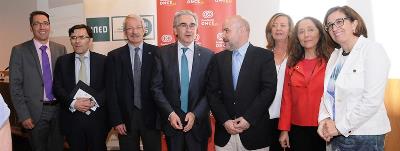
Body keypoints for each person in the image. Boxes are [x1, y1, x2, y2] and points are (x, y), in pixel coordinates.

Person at [318, 6, 391, 151]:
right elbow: (327, 94)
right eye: (330, 25)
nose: (334, 28)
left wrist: (339, 127)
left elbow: (371, 100)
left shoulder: (372, 50)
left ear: (354, 24)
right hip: (335, 134)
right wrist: (324, 120)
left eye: (339, 21)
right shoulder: (335, 56)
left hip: (365, 135)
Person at [207, 15, 277, 151]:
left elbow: (268, 91)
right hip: (225, 135)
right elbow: (212, 93)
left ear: (242, 30)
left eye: (227, 30)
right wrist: (225, 121)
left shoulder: (264, 56)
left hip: (255, 134)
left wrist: (248, 119)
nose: (223, 35)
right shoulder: (218, 59)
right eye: (223, 31)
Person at [151, 10, 213, 151]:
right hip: (173, 124)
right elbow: (156, 88)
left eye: (192, 25)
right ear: (175, 29)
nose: (188, 29)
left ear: (197, 28)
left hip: (198, 125)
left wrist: (195, 114)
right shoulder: (162, 54)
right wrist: (170, 114)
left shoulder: (208, 55)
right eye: (183, 25)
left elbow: (211, 91)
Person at [9, 10, 66, 151]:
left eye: (45, 23)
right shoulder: (19, 50)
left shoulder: (60, 49)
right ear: (31, 27)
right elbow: (15, 86)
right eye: (37, 24)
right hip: (35, 114)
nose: (42, 27)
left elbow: (64, 81)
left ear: (50, 26)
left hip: (59, 111)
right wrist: (23, 115)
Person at [106, 14, 161, 151]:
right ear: (125, 32)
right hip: (125, 119)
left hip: (152, 118)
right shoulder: (114, 56)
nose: (134, 31)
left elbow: (162, 88)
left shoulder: (157, 53)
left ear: (144, 30)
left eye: (138, 27)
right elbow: (111, 91)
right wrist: (117, 120)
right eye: (129, 28)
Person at [278, 17, 333, 151]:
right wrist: (284, 130)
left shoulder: (332, 60)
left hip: (325, 126)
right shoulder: (291, 62)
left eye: (310, 30)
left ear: (320, 33)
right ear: (297, 37)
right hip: (297, 128)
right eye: (301, 31)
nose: (306, 35)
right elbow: (286, 98)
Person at [53, 24, 108, 151]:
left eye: (82, 37)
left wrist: (93, 102)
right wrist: (73, 103)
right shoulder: (62, 61)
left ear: (90, 40)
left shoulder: (103, 60)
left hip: (97, 118)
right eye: (73, 37)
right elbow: (57, 87)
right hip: (72, 118)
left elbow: (109, 87)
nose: (77, 41)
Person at [264, 12, 293, 151]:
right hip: (266, 118)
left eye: (283, 25)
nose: (278, 28)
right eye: (274, 26)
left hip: (290, 120)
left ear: (290, 29)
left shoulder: (297, 55)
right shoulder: (263, 55)